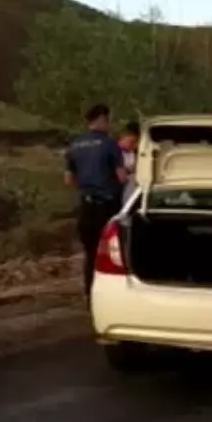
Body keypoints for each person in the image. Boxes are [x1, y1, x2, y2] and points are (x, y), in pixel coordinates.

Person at [65, 104, 128, 297]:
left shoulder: (74, 145)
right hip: (107, 206)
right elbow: (121, 178)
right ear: (102, 120)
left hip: (85, 206)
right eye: (108, 120)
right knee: (113, 252)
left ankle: (90, 293)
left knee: (90, 253)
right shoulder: (110, 144)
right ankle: (111, 294)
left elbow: (68, 180)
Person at [118, 120, 141, 202]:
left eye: (136, 142)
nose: (134, 145)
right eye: (132, 142)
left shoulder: (134, 153)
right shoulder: (115, 152)